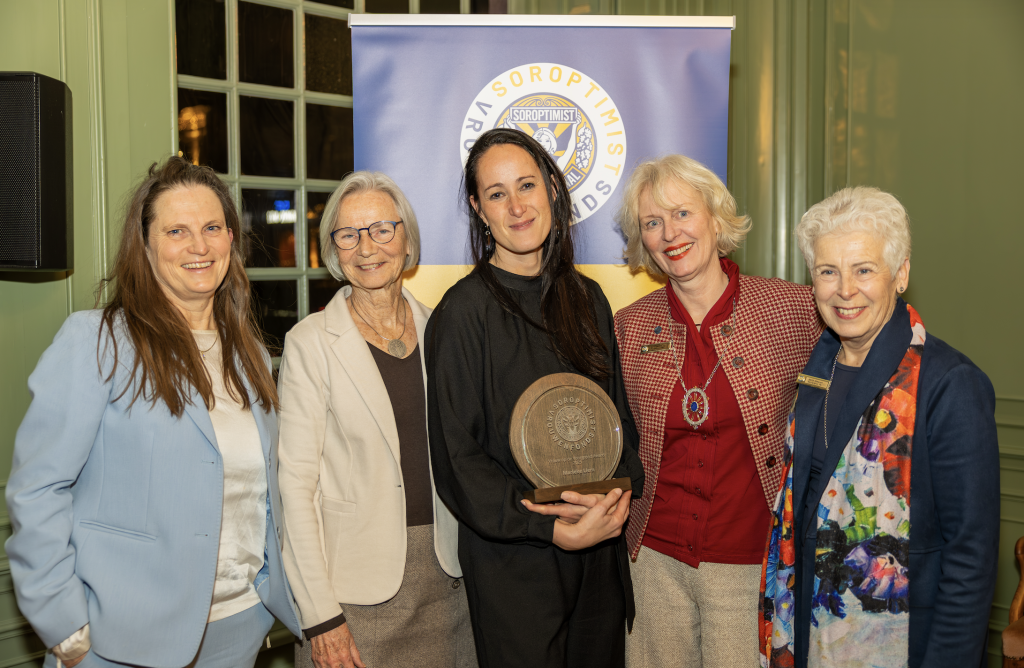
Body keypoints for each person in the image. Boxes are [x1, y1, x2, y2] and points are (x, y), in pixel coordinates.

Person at [5, 157, 300, 668]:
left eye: (212, 228)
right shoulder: (98, 341)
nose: (198, 246)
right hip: (118, 641)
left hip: (239, 626)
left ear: (231, 239)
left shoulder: (249, 350)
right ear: (145, 246)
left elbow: (264, 493)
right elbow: (37, 489)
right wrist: (65, 627)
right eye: (176, 231)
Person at [425, 128, 645, 668]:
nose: (517, 207)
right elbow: (458, 461)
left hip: (598, 557)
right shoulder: (462, 314)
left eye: (526, 185)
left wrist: (614, 500)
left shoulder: (588, 298)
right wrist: (549, 527)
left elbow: (617, 419)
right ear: (478, 209)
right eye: (497, 194)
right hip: (516, 568)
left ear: (551, 187)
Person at [759, 186, 1000, 667]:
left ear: (901, 273)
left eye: (864, 270)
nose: (845, 290)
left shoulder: (949, 383)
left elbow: (970, 557)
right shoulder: (817, 369)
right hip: (807, 630)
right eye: (828, 271)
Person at [612, 155, 823, 668]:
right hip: (652, 563)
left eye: (682, 213)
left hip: (749, 565)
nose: (670, 234)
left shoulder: (793, 310)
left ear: (714, 217)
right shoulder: (627, 327)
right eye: (652, 223)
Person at [277, 171, 476, 668]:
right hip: (352, 600)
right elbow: (296, 487)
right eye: (348, 234)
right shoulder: (309, 343)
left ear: (406, 239)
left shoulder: (442, 328)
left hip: (450, 584)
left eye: (382, 229)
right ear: (333, 249)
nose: (367, 247)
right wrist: (320, 615)